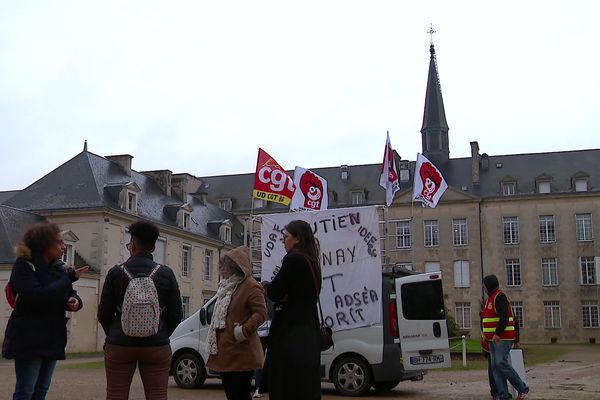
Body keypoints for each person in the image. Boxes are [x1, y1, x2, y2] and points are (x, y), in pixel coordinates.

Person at [97, 221, 183, 400]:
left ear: (133, 245)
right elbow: (176, 314)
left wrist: (114, 332)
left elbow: (104, 313)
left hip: (120, 344)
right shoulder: (166, 273)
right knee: (157, 395)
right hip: (156, 345)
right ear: (153, 247)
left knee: (116, 395)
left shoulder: (116, 273)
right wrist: (161, 332)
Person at [2, 222, 88, 400]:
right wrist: (69, 278)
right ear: (45, 244)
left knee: (41, 389)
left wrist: (75, 302)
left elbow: (69, 293)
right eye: (59, 243)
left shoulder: (58, 268)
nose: (64, 247)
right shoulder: (24, 266)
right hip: (29, 337)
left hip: (52, 336)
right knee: (25, 391)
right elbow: (37, 295)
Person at [263, 220, 322, 400]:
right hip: (308, 331)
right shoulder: (312, 261)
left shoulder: (293, 259)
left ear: (297, 239)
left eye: (286, 237)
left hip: (290, 334)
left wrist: (267, 287)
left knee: (286, 386)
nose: (283, 241)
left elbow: (275, 291)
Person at [206, 246, 267, 400]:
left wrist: (243, 331)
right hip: (226, 352)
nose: (221, 270)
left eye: (224, 266)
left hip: (241, 353)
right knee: (231, 394)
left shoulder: (250, 286)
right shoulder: (226, 287)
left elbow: (261, 313)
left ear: (235, 267)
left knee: (240, 394)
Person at [482, 275, 529, 400]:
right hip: (492, 339)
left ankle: (522, 388)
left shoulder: (499, 296)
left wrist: (497, 333)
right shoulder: (489, 299)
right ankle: (503, 395)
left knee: (500, 363)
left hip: (502, 338)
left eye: (484, 285)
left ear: (488, 285)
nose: (483, 287)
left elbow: (505, 317)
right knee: (495, 367)